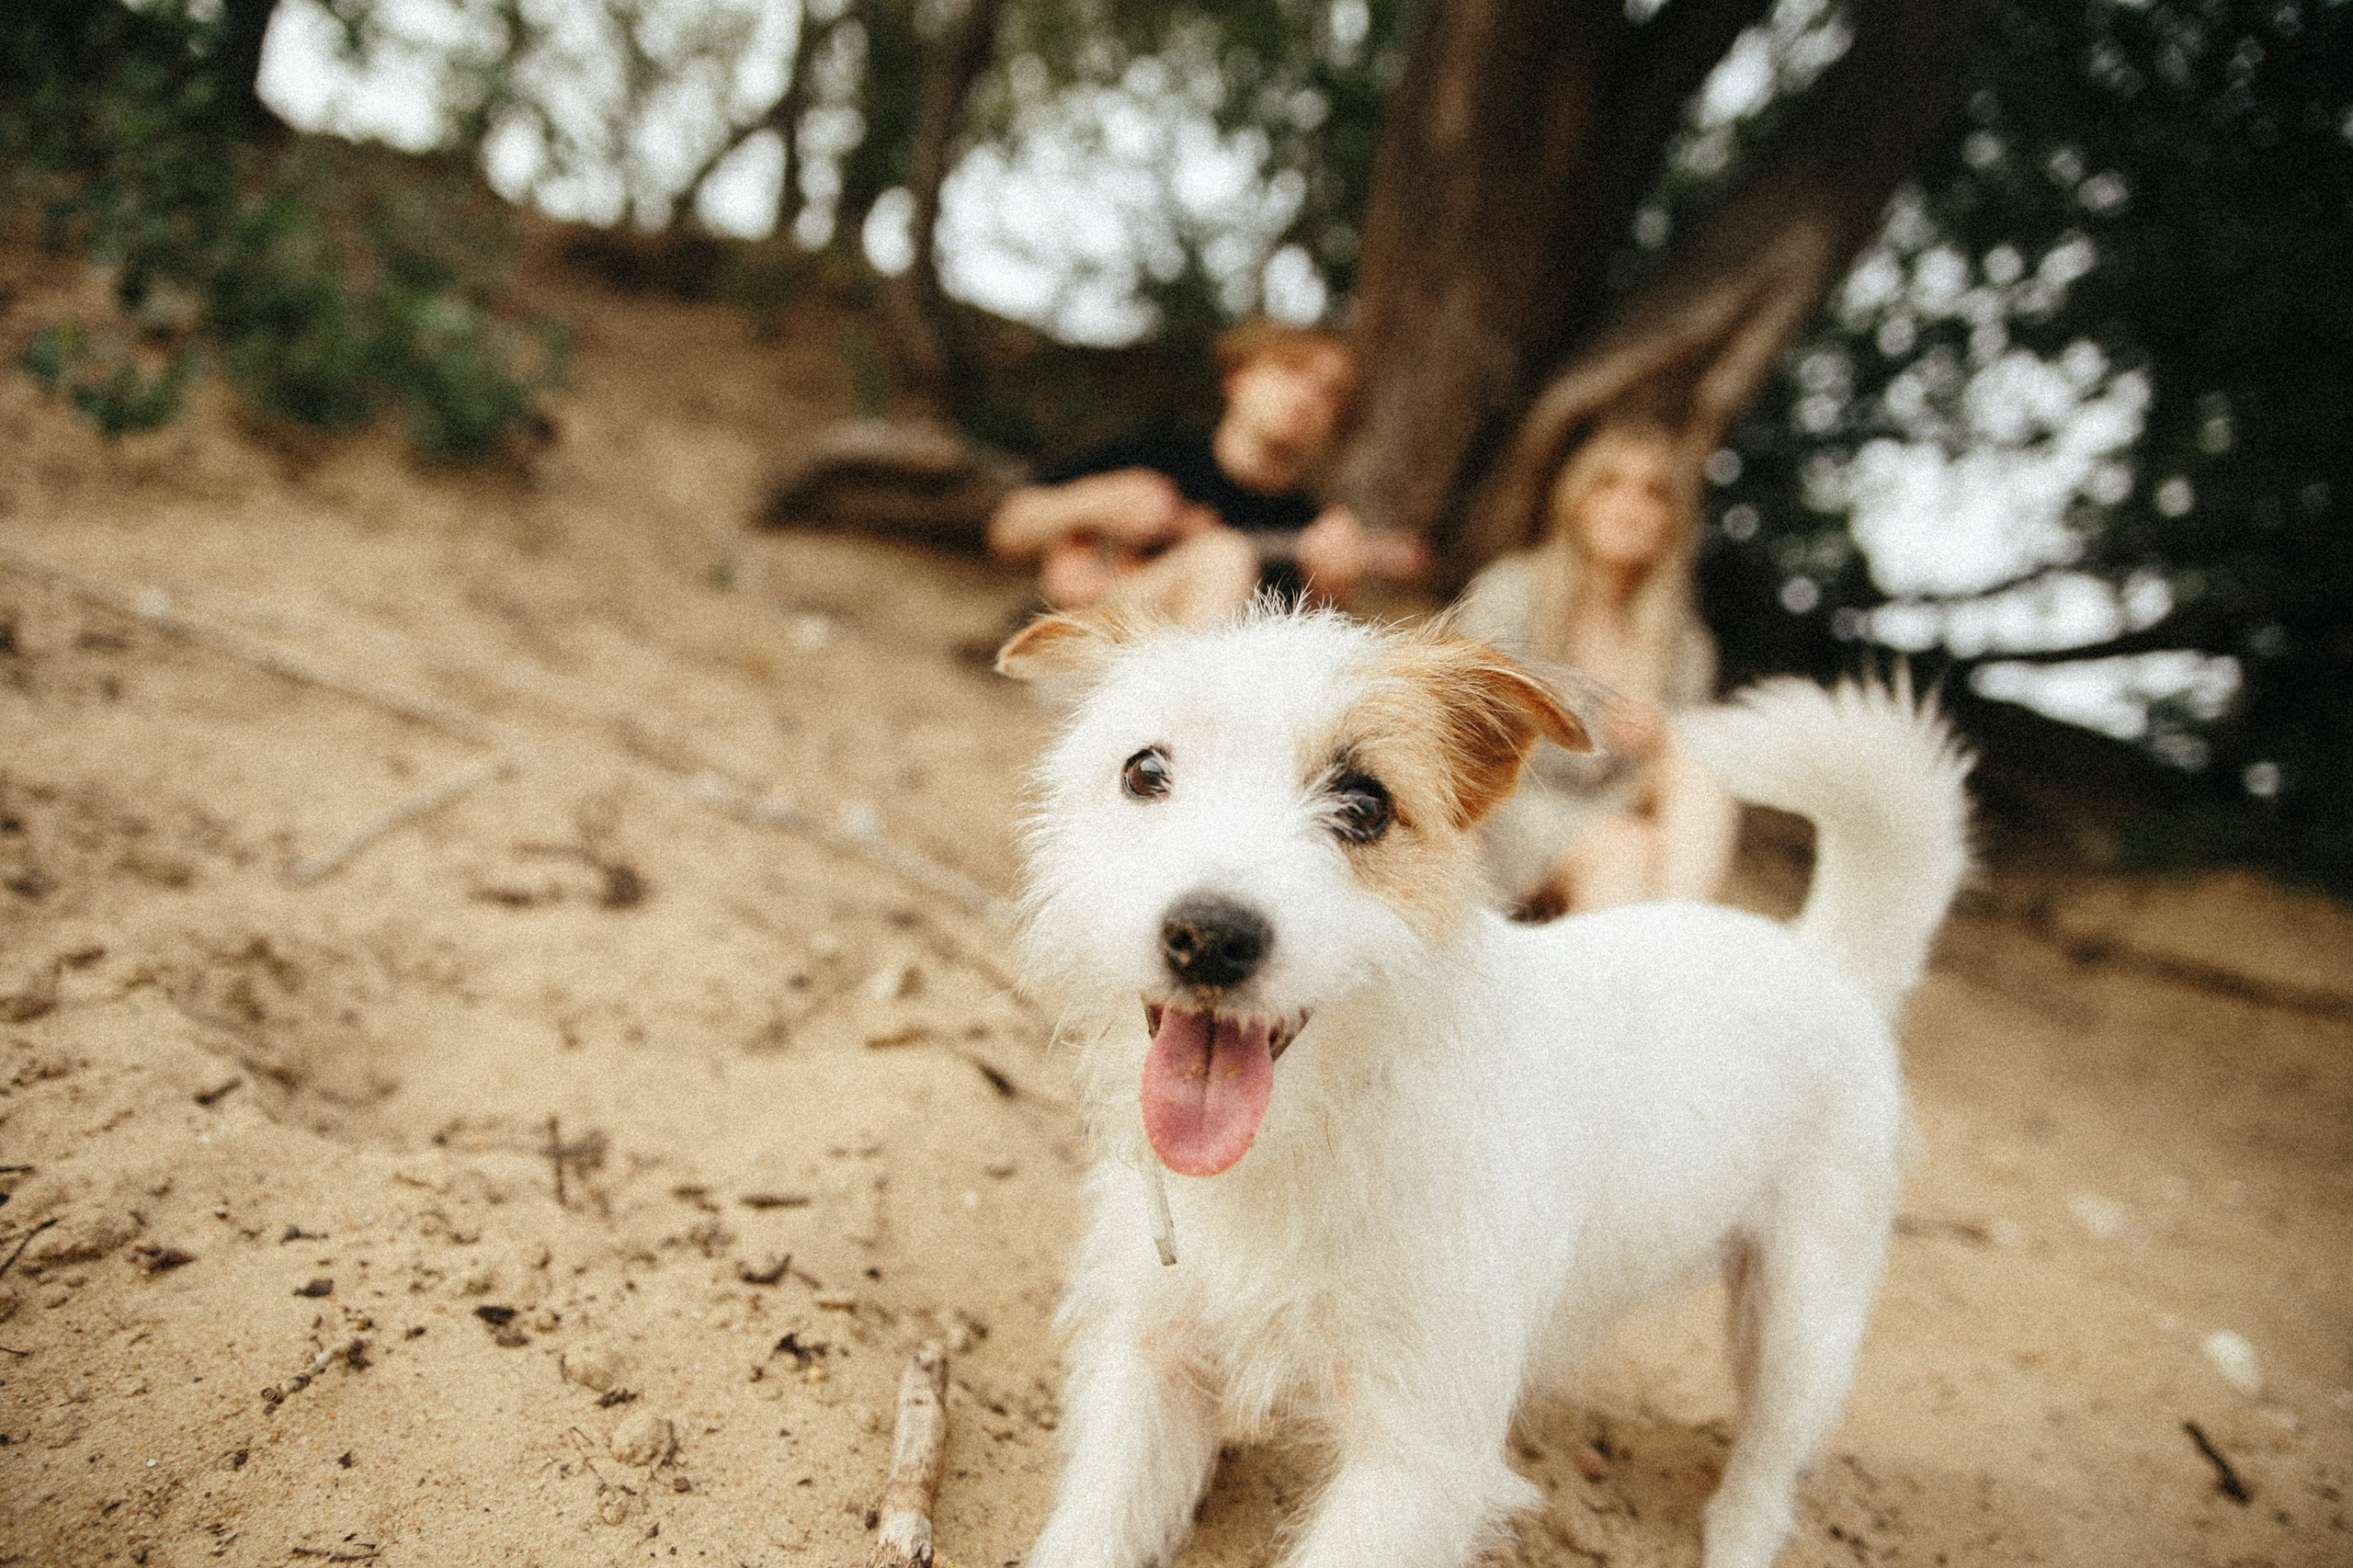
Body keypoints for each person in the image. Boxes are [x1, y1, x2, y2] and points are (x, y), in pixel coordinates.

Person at [1454, 421, 1738, 917]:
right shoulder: (1514, 590)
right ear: (1578, 500)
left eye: (1653, 494)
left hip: (1606, 814)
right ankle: (1672, 961)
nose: (1630, 505)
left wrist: (1659, 736)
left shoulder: (1686, 644)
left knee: (1697, 767)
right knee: (1627, 847)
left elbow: (1667, 790)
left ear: (1671, 521)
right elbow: (1463, 724)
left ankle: (1679, 943)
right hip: (1506, 803)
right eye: (1609, 484)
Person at [985, 323, 1424, 625]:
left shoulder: (1315, 523)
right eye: (1291, 370)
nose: (1307, 397)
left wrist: (1326, 595)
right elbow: (1006, 530)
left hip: (1192, 674)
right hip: (1094, 642)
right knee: (1225, 557)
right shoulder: (1155, 449)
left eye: (1330, 393)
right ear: (1236, 377)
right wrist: (1095, 503)